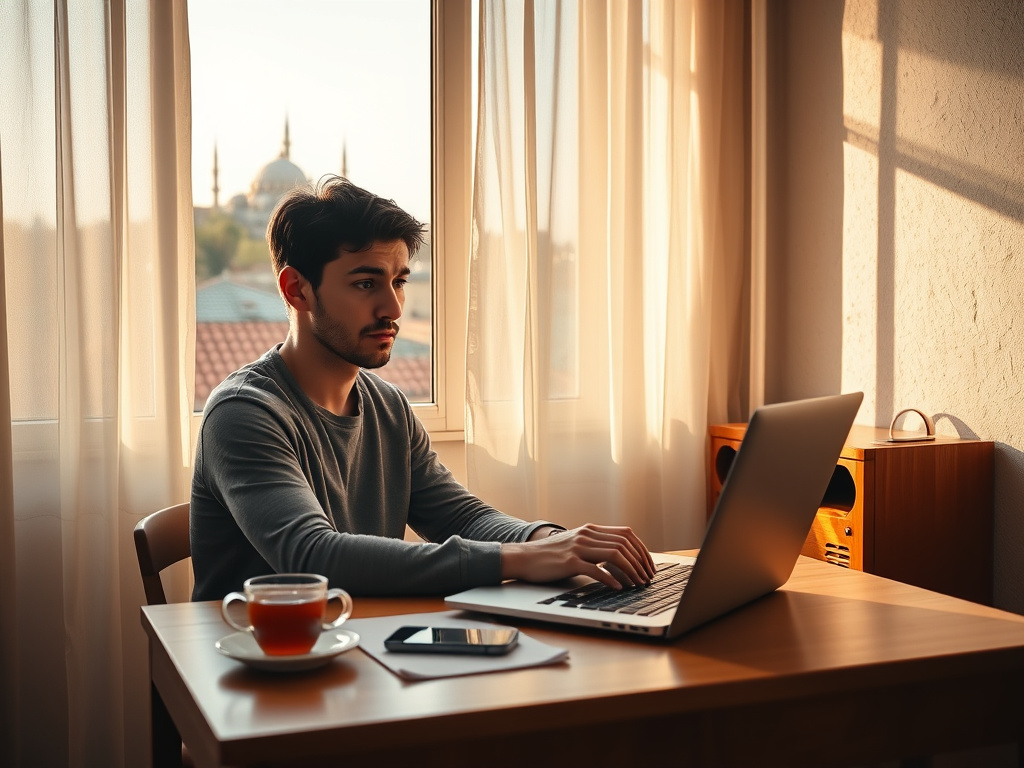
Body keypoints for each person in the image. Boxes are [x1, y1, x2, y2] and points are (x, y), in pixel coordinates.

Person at [190, 175, 656, 601]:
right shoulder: (243, 412)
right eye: (366, 283)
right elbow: (314, 556)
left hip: (364, 651)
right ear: (296, 290)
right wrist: (523, 560)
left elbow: (464, 518)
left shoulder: (388, 406)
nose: (392, 306)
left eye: (398, 281)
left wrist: (554, 542)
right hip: (254, 672)